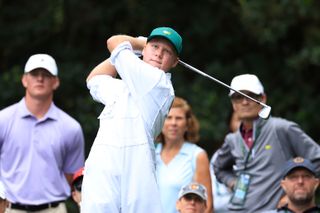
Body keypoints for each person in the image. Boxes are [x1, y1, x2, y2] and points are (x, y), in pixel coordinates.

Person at [81, 27, 183, 213]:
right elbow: (94, 79)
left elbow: (114, 41)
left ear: (175, 62)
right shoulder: (125, 86)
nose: (159, 54)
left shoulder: (158, 83)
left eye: (167, 51)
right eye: (155, 47)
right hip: (104, 164)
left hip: (136, 168)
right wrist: (137, 49)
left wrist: (140, 44)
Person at [213, 74, 320, 213]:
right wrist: (233, 183)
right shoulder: (232, 139)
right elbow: (218, 168)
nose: (244, 102)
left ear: (262, 98)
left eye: (250, 96)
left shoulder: (281, 128)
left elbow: (317, 158)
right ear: (233, 103)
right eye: (238, 97)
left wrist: (292, 194)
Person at [0, 54, 85, 213]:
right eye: (34, 74)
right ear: (24, 80)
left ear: (56, 82)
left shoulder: (71, 127)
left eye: (46, 75)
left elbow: (72, 176)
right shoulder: (3, 120)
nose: (40, 79)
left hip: (54, 209)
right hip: (10, 209)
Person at [155, 97, 213, 213]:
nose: (173, 123)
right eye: (168, 117)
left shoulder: (197, 155)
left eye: (179, 118)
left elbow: (208, 206)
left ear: (187, 124)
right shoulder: (150, 155)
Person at [210, 110, 240, 213]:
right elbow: (215, 202)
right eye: (239, 120)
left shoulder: (269, 151)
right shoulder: (219, 157)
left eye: (250, 120)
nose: (244, 125)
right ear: (230, 123)